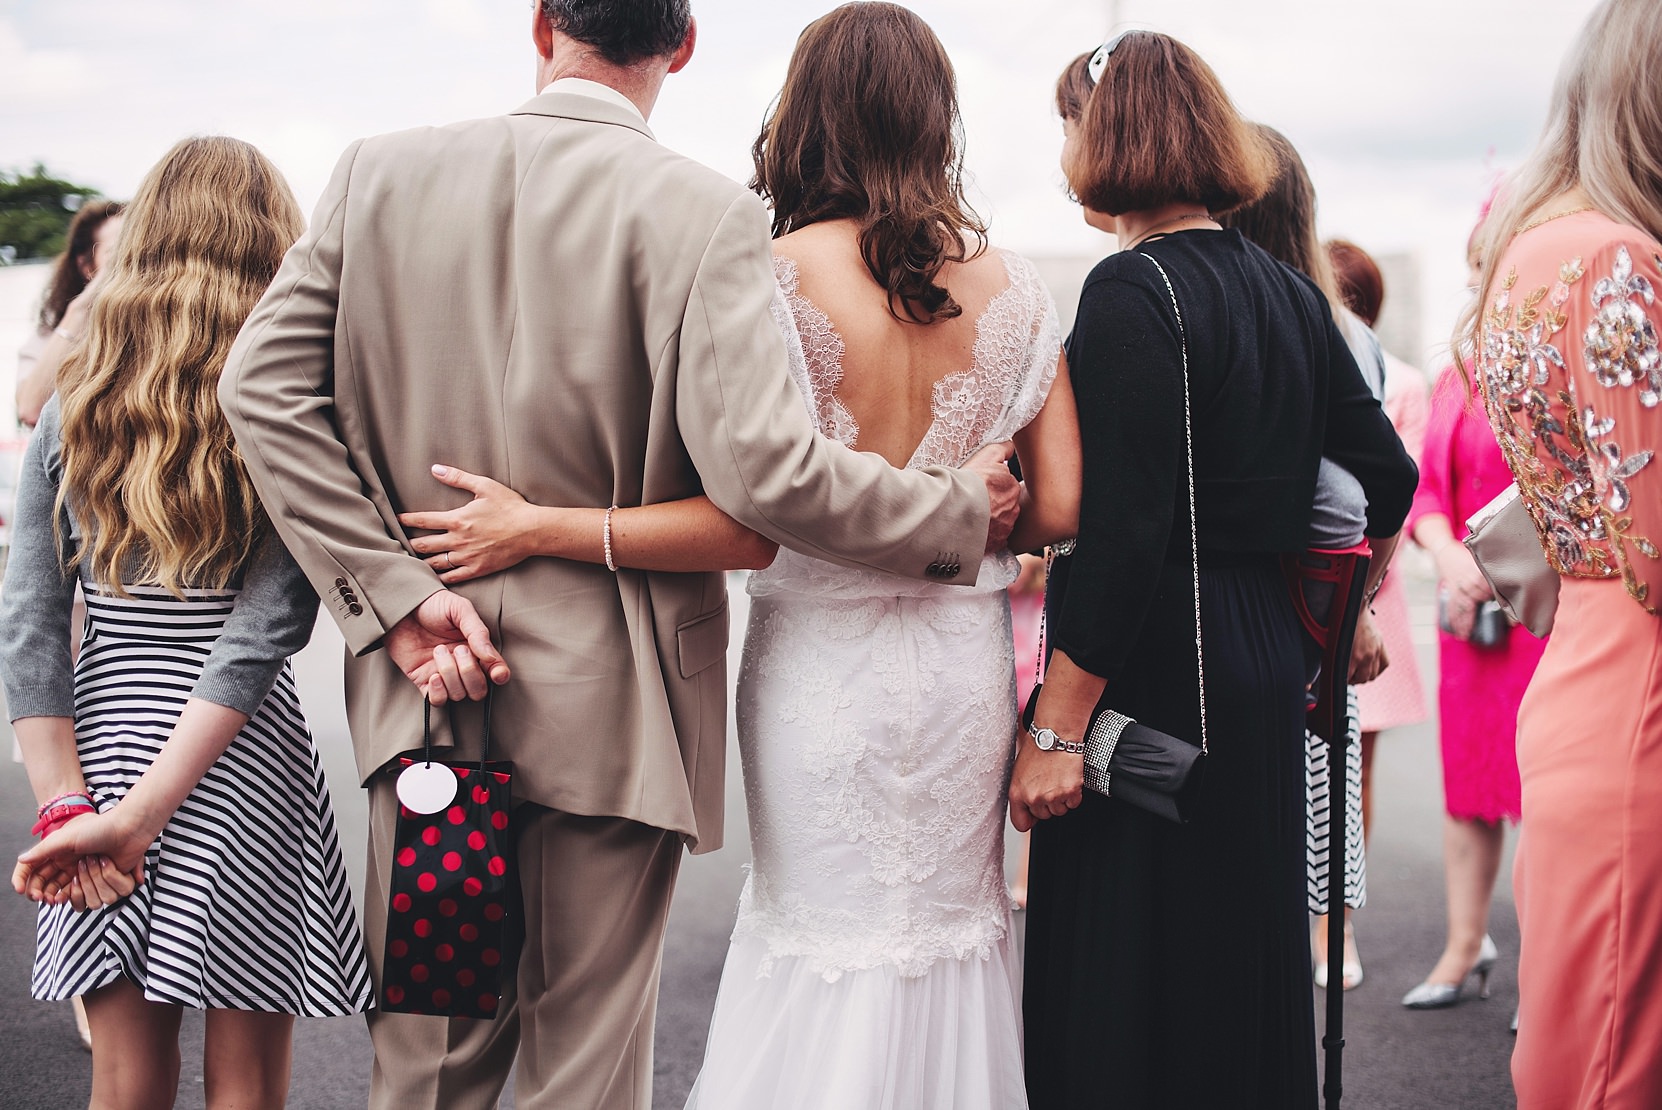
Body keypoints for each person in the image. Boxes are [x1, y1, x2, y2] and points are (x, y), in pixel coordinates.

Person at [216, 3, 1020, 1108]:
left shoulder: (376, 177)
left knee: (430, 1066)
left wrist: (397, 600)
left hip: (434, 703)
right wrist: (955, 512)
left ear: (542, 24)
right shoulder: (699, 215)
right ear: (680, 46)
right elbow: (768, 477)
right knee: (581, 1073)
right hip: (620, 709)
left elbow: (258, 391)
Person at [1013, 33, 1416, 1109]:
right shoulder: (1288, 294)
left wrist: (1054, 733)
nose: (1062, 150)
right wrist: (1341, 607)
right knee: (1238, 959)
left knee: (1124, 977)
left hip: (1152, 665)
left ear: (1111, 136)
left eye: (1070, 125)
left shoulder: (1131, 291)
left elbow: (1126, 532)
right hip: (1261, 651)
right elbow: (1387, 474)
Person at [1, 136, 372, 1110]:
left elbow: (29, 627)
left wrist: (69, 809)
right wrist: (148, 815)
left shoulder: (72, 410)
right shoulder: (293, 409)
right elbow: (264, 630)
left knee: (123, 1083)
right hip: (240, 758)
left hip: (105, 748)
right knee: (245, 1088)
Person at [1457, 0, 1662, 1100]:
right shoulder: (1621, 259)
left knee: (1581, 1029)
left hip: (1585, 649)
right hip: (1641, 675)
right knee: (1618, 1051)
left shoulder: (1535, 247)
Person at [1217, 126, 1406, 992]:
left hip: (1267, 596)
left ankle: (1310, 944)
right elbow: (1380, 497)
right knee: (1324, 778)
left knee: (1273, 796)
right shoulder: (1338, 325)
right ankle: (1333, 937)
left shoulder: (1261, 319)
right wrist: (1358, 600)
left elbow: (1368, 484)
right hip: (1323, 597)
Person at [1399, 221, 1545, 1014]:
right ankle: (1463, 946)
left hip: (1540, 620)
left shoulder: (1544, 364)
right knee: (1469, 792)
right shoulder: (1457, 375)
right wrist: (1447, 554)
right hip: (1469, 622)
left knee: (1541, 800)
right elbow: (1423, 489)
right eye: (1478, 266)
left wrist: (1496, 569)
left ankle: (1542, 973)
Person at [1326, 237, 1430, 832]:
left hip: (1375, 585)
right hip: (1361, 575)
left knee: (1356, 759)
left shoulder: (1405, 382)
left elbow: (1404, 489)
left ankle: (1338, 916)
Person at [15, 199, 125, 430]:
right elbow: (31, 409)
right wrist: (81, 309)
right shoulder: (55, 332)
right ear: (87, 266)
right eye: (117, 252)